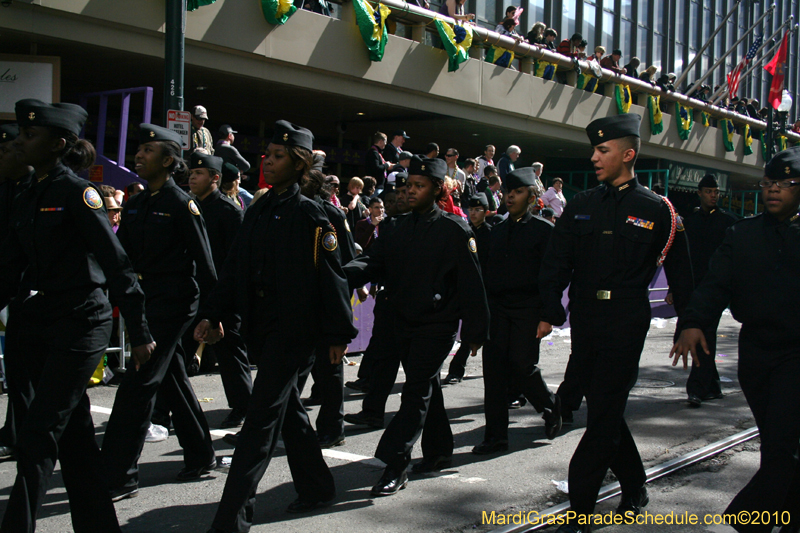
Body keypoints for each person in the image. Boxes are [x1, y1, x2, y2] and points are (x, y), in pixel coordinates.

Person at [0, 99, 154, 533]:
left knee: (36, 436)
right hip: (42, 318)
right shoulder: (29, 193)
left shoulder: (77, 193)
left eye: (31, 137)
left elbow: (117, 264)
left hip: (82, 322)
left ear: (58, 145)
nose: (21, 143)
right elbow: (10, 269)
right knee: (75, 437)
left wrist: (139, 331)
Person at [195, 120, 357, 532]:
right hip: (262, 327)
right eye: (267, 155)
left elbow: (333, 277)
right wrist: (211, 313)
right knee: (288, 412)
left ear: (300, 163)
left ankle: (230, 517)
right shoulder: (260, 208)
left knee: (260, 418)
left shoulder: (313, 213)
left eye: (278, 156)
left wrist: (338, 334)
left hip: (295, 330)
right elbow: (234, 269)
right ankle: (318, 486)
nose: (267, 161)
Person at [539, 114, 693, 532]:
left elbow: (683, 277)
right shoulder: (582, 205)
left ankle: (581, 509)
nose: (593, 157)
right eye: (593, 150)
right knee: (605, 405)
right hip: (585, 316)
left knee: (602, 414)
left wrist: (689, 326)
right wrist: (547, 310)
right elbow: (557, 262)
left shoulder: (659, 210)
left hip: (626, 318)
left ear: (628, 154)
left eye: (602, 151)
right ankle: (635, 484)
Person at [670, 147, 800, 533]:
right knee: (778, 444)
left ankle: (748, 522)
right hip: (757, 352)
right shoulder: (741, 235)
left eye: (786, 184)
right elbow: (715, 285)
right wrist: (692, 322)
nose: (774, 190)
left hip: (798, 352)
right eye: (769, 183)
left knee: (781, 444)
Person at [343, 155, 489, 495]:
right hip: (400, 321)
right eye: (408, 185)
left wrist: (475, 333)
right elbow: (369, 262)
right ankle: (439, 451)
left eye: (418, 186)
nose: (409, 192)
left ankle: (396, 462)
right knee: (427, 388)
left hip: (436, 324)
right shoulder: (395, 227)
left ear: (437, 189)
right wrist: (334, 275)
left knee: (416, 390)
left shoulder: (455, 229)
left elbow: (472, 284)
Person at [102, 124, 217, 501]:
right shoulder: (136, 204)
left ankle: (119, 475)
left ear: (168, 161)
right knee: (171, 378)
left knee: (139, 382)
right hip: (146, 298)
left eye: (148, 151)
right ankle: (201, 454)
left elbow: (206, 263)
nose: (138, 155)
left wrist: (212, 314)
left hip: (175, 302)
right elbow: (121, 257)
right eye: (138, 150)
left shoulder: (181, 204)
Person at [473, 168, 561, 455]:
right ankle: (495, 436)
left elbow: (552, 277)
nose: (510, 196)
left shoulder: (543, 230)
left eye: (518, 192)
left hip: (528, 309)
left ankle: (549, 406)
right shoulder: (496, 229)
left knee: (522, 366)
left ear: (532, 196)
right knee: (494, 373)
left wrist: (548, 315)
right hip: (498, 309)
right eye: (508, 192)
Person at [187, 151, 251, 428]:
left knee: (229, 353)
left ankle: (243, 406)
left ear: (215, 179)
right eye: (191, 173)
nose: (192, 177)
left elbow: (235, 261)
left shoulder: (228, 211)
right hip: (191, 291)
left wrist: (222, 309)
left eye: (199, 173)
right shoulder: (188, 206)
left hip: (222, 294)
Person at [298, 168, 358, 449]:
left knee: (329, 368)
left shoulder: (331, 215)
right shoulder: (287, 210)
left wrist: (339, 318)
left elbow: (344, 264)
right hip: (296, 304)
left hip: (324, 303)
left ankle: (332, 427)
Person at [668, 174, 738, 407]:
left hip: (716, 289)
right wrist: (673, 288)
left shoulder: (728, 221)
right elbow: (680, 258)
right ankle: (712, 385)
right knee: (698, 333)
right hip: (691, 287)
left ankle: (696, 388)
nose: (713, 195)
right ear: (700, 193)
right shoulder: (690, 222)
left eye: (716, 192)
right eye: (709, 191)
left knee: (705, 333)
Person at [343, 172, 411, 401]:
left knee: (420, 378)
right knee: (382, 356)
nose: (398, 201)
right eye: (393, 197)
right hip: (390, 302)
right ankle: (371, 410)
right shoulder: (391, 226)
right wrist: (343, 276)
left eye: (403, 194)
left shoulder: (432, 225)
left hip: (418, 311)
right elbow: (372, 260)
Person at [0, 123, 34, 461]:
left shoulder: (37, 190)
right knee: (16, 368)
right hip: (11, 288)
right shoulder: (7, 188)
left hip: (35, 293)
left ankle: (20, 434)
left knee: (24, 372)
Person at [444, 192, 492, 384]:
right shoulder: (464, 231)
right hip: (465, 286)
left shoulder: (490, 233)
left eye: (477, 210)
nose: (473, 213)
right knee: (467, 332)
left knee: (483, 332)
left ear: (486, 212)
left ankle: (459, 369)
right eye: (471, 209)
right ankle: (456, 370)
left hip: (484, 288)